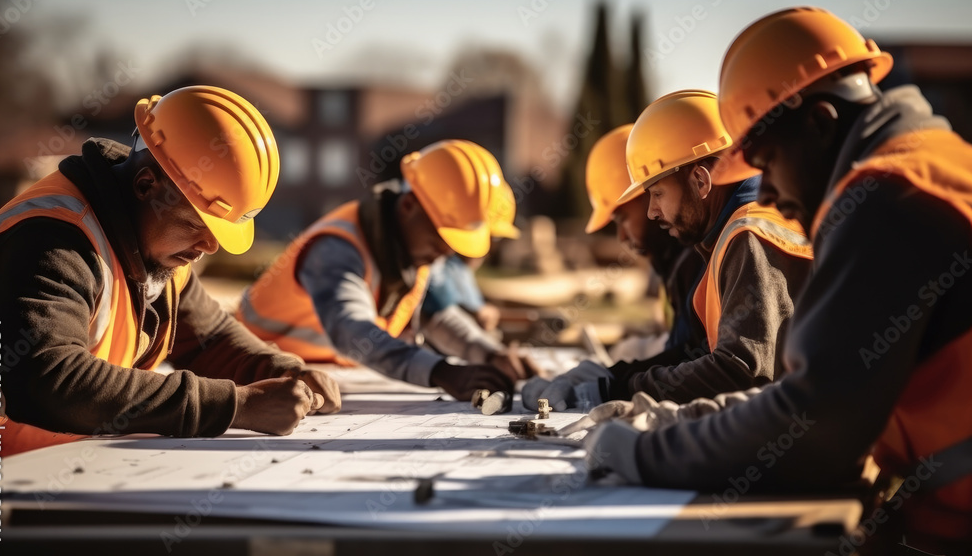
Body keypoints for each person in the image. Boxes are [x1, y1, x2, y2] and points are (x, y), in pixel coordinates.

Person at [584, 8, 972, 550]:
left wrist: (640, 454)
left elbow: (814, 426)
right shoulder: (932, 167)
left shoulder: (888, 199)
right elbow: (815, 398)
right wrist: (682, 422)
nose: (763, 194)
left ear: (818, 123)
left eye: (766, 160)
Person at [0, 86, 342, 463]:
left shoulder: (156, 247)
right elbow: (51, 382)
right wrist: (236, 405)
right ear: (147, 185)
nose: (210, 246)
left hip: (55, 469)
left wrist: (284, 371)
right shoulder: (49, 238)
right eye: (200, 224)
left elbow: (207, 337)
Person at [524, 90, 813, 411]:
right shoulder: (730, 237)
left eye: (657, 193)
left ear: (701, 182)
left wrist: (616, 388)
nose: (652, 211)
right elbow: (701, 353)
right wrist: (617, 377)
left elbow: (740, 370)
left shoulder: (749, 236)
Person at [238, 140, 533, 401]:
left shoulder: (413, 252)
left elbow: (434, 316)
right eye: (441, 237)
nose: (446, 251)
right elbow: (352, 331)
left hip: (320, 376)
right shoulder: (336, 248)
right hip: (254, 370)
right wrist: (442, 373)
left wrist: (491, 354)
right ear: (408, 207)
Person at [582, 123, 706, 354]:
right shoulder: (674, 266)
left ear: (647, 193)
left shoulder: (695, 265)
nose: (622, 237)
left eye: (622, 219)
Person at [420, 173, 526, 359]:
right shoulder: (439, 266)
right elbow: (438, 308)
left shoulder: (462, 271)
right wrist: (477, 313)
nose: (491, 247)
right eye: (490, 239)